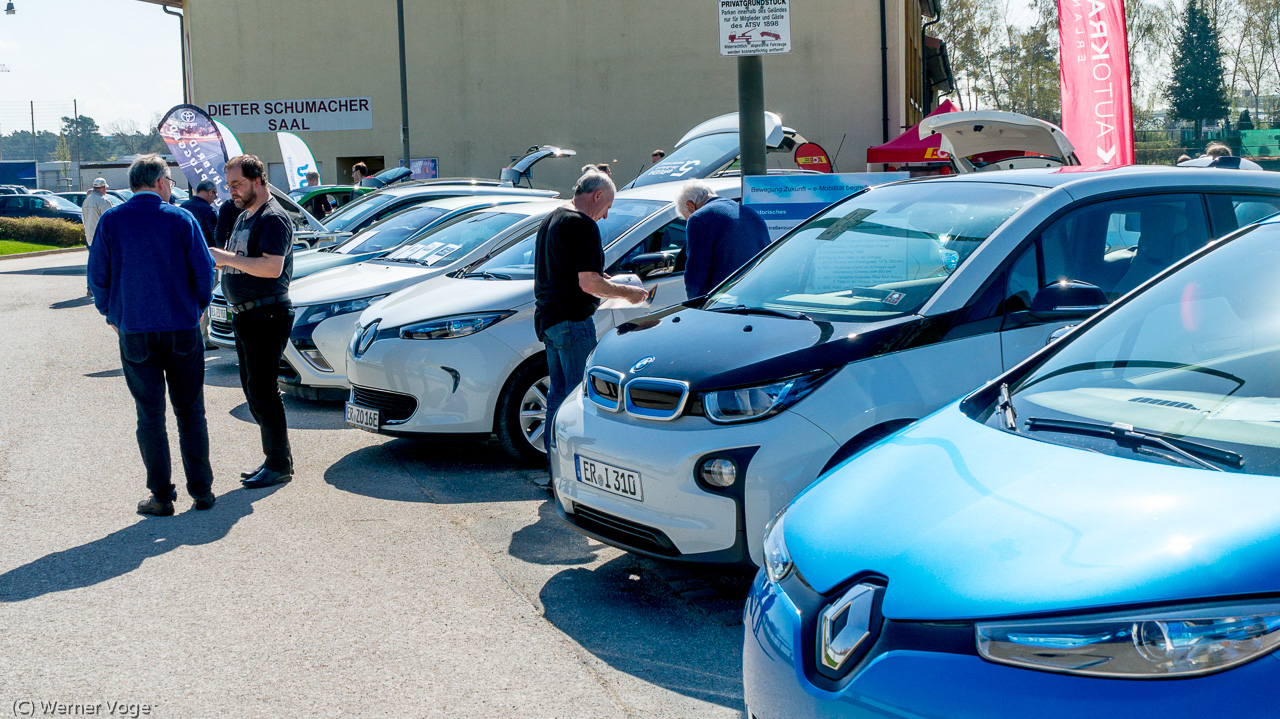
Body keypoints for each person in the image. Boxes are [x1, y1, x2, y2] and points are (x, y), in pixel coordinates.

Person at [87, 155, 216, 516]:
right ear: (160, 182)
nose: (171, 188)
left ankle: (161, 496)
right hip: (181, 328)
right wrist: (197, 308)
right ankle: (201, 491)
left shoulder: (112, 220)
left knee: (149, 414)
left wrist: (110, 314)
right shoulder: (181, 218)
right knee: (190, 412)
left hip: (135, 330)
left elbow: (98, 274)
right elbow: (204, 273)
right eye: (170, 182)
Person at [534, 170, 649, 457]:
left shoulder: (553, 219)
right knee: (577, 401)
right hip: (572, 321)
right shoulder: (583, 225)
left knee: (557, 398)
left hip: (549, 319)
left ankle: (553, 468)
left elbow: (569, 270)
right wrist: (629, 293)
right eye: (607, 206)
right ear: (597, 195)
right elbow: (587, 283)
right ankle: (573, 471)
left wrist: (603, 278)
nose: (606, 216)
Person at [209, 155, 296, 490]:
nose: (231, 191)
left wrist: (224, 257)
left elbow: (272, 267)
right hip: (247, 314)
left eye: (237, 184)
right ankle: (276, 459)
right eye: (229, 185)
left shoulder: (273, 217)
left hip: (267, 313)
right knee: (253, 390)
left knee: (263, 391)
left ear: (258, 180)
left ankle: (278, 465)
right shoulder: (246, 215)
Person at [677, 180, 771, 298]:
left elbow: (696, 273)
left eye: (687, 217)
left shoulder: (699, 218)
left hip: (722, 302)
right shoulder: (752, 214)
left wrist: (695, 305)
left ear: (690, 205)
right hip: (757, 298)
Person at [81, 177, 113, 297]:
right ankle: (103, 289)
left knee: (93, 263)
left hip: (89, 236)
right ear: (103, 188)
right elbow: (109, 221)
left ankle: (90, 287)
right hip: (102, 238)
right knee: (105, 264)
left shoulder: (87, 201)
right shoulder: (103, 201)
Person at [180, 180, 219, 246]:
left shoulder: (182, 207)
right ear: (210, 192)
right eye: (215, 196)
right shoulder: (209, 210)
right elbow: (216, 237)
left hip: (185, 249)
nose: (213, 201)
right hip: (205, 251)